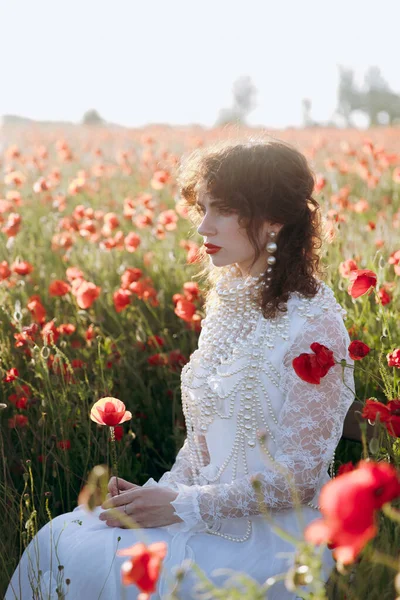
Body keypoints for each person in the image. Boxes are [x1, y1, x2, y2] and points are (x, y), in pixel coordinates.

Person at [6, 138, 355, 600]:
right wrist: (152, 497)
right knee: (59, 540)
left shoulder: (315, 325)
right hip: (200, 508)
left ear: (275, 219)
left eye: (223, 210)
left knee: (101, 562)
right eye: (202, 208)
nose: (203, 225)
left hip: (275, 535)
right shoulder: (228, 304)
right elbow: (203, 442)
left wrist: (181, 505)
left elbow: (301, 476)